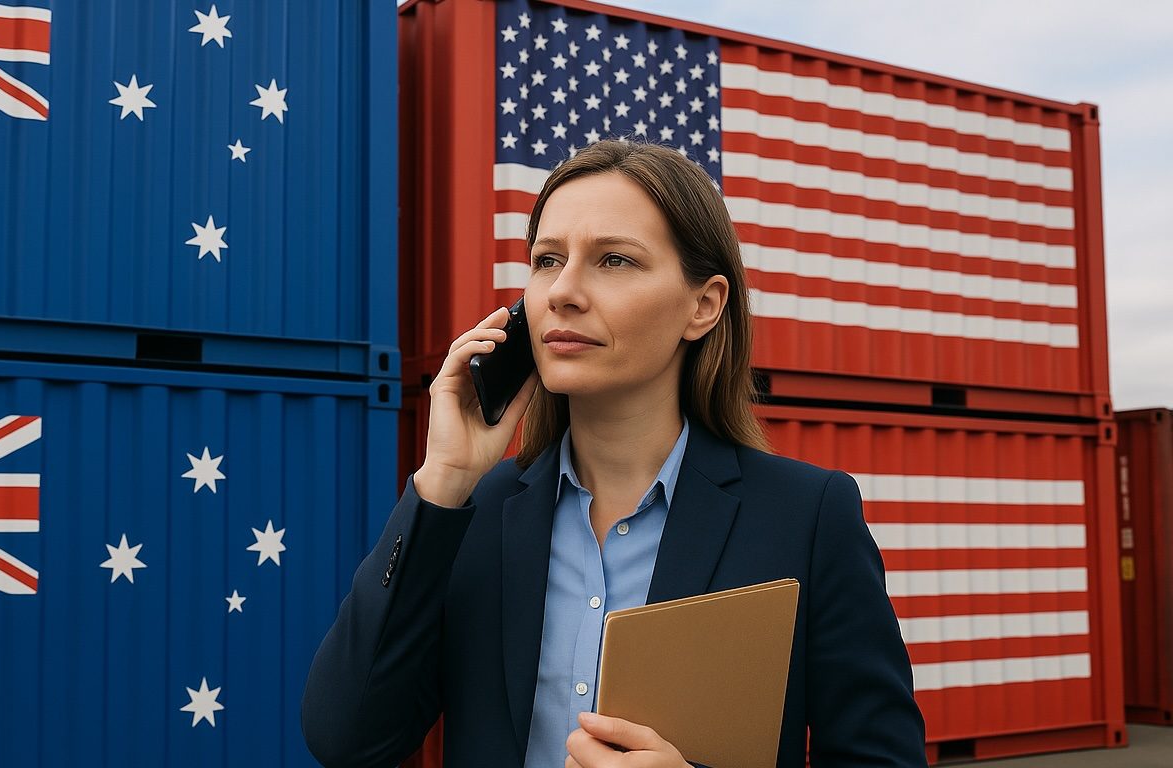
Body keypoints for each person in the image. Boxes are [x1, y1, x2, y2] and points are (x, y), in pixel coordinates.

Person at [301, 140, 926, 768]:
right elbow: (348, 739)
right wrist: (443, 480)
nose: (562, 292)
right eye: (547, 260)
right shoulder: (471, 513)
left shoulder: (805, 516)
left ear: (703, 306)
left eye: (615, 260)